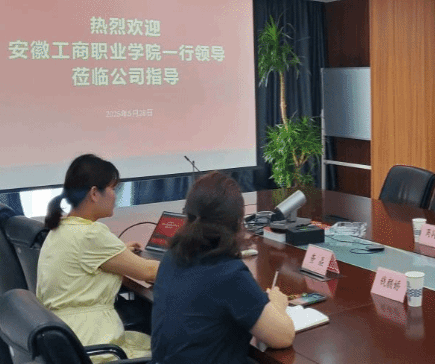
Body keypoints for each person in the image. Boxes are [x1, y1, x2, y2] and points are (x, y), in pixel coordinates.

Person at [150, 171, 295, 363]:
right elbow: (283, 336)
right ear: (236, 221)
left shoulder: (171, 257)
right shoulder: (229, 274)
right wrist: (277, 304)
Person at [37, 154, 158, 361]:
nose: (115, 196)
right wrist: (192, 260)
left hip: (70, 339)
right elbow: (149, 272)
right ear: (94, 193)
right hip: (94, 344)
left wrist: (119, 252)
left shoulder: (61, 228)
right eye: (112, 189)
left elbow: (86, 257)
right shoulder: (91, 234)